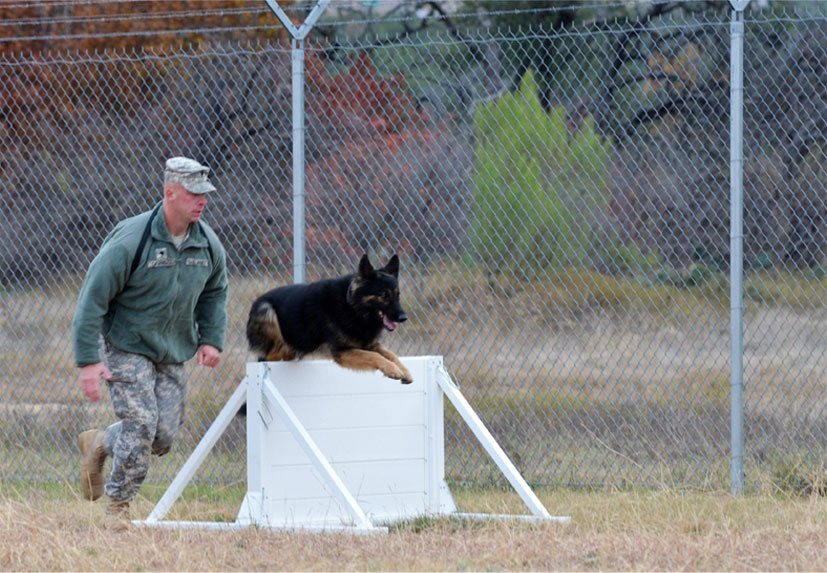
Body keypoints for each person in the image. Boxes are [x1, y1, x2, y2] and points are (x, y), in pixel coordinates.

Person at [72, 157, 228, 526]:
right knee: (141, 425)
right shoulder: (132, 239)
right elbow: (92, 299)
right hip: (127, 344)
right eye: (193, 194)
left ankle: (100, 442)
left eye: (204, 194)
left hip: (171, 349)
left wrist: (211, 339)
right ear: (170, 193)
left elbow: (215, 291)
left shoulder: (207, 244)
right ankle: (117, 509)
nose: (201, 201)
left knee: (162, 437)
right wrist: (88, 359)